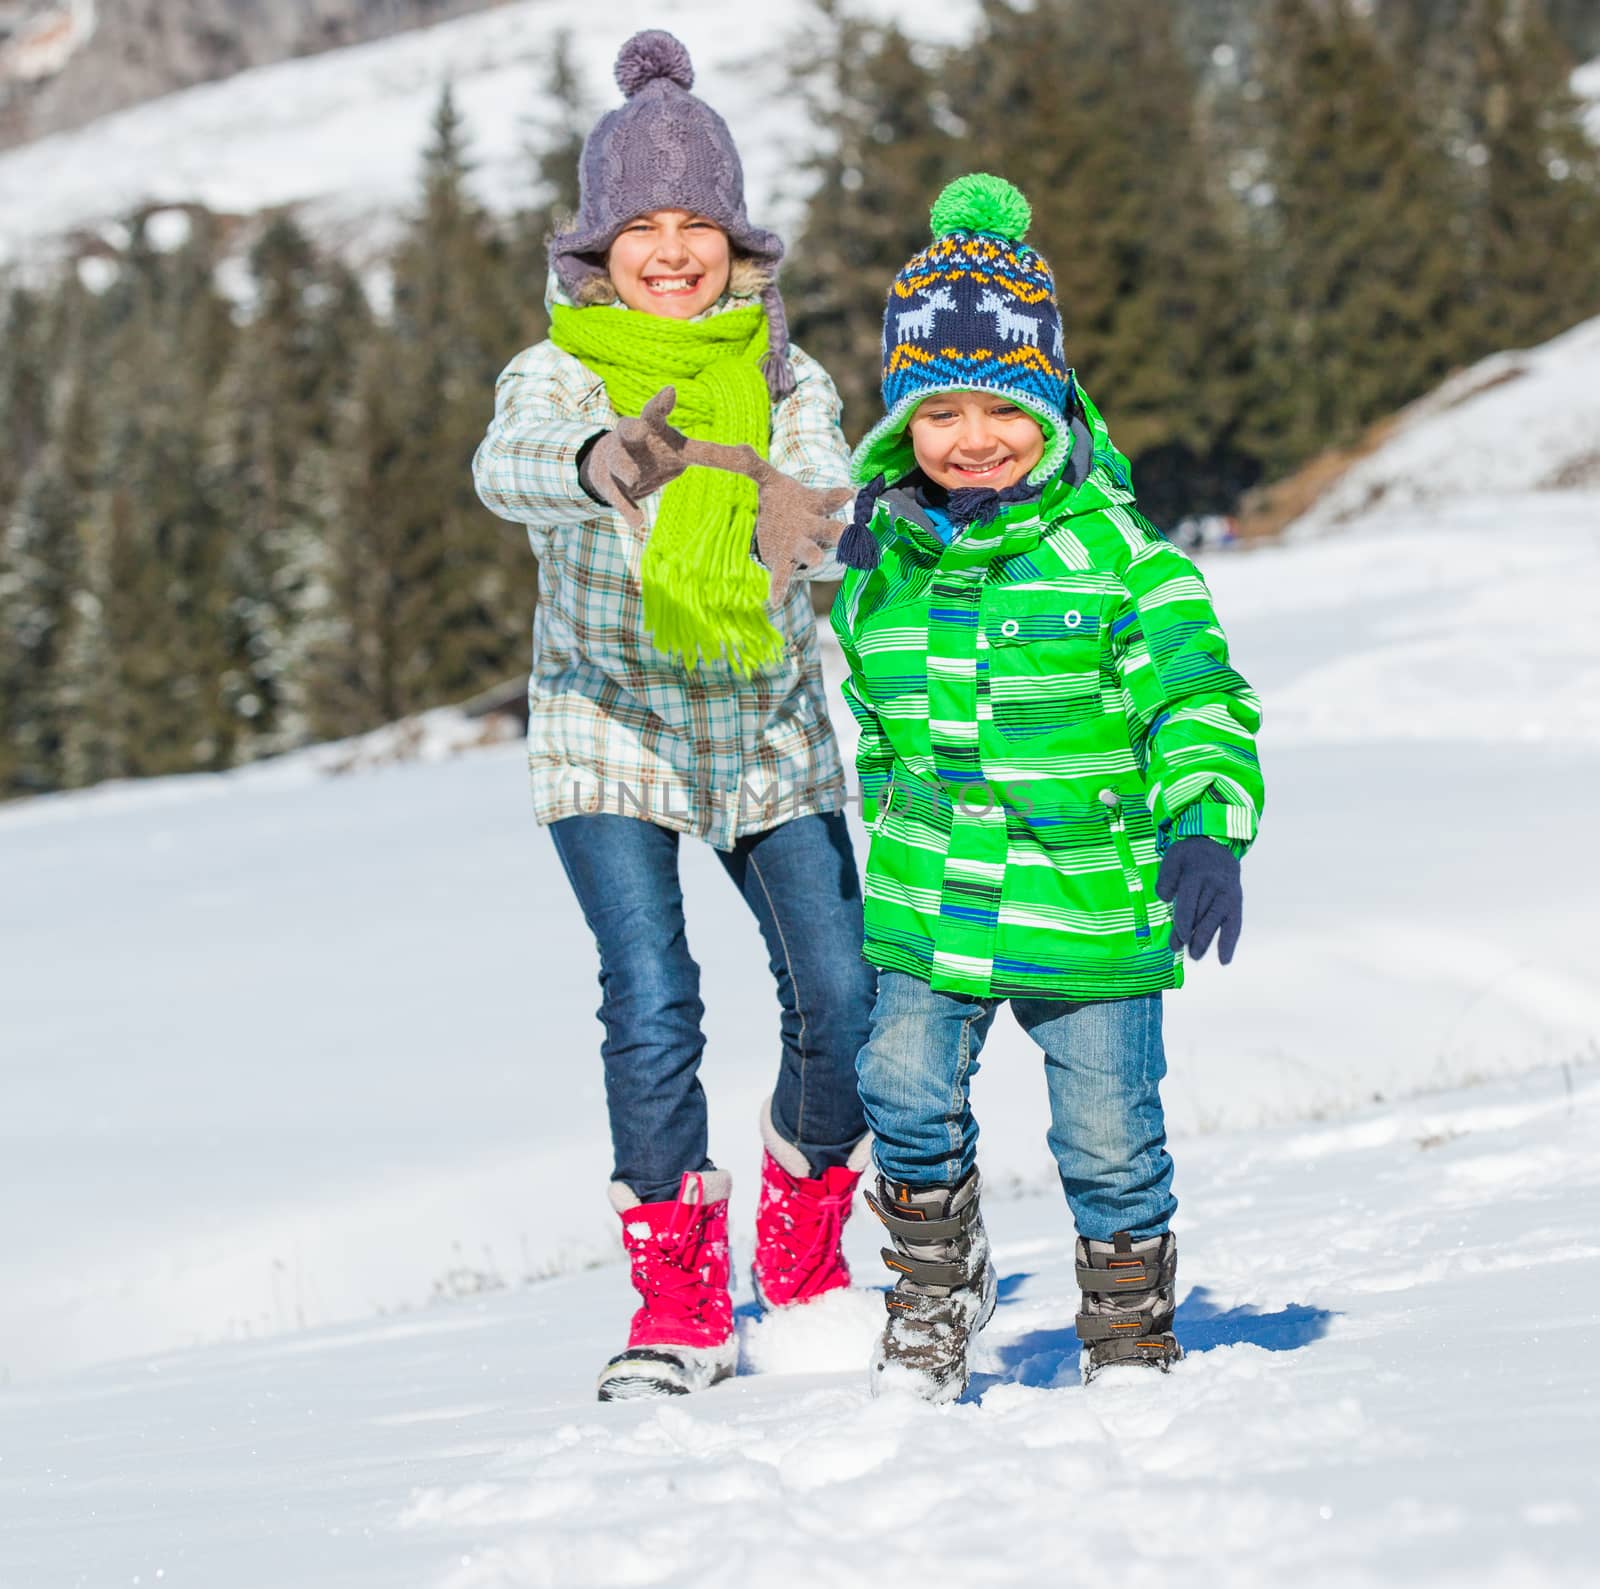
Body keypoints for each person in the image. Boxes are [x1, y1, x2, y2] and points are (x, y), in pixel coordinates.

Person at [472, 30, 876, 1402]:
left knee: (842, 997)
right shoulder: (564, 372)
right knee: (653, 1000)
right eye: (640, 224)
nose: (669, 248)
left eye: (693, 222)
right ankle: (680, 1301)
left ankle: (805, 1243)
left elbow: (821, 491)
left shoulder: (788, 377)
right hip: (611, 729)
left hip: (763, 722)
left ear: (734, 244)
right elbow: (507, 465)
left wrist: (803, 523)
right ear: (595, 249)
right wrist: (602, 462)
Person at [830, 174, 1265, 1401]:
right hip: (938, 899)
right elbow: (877, 721)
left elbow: (1198, 699)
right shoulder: (882, 574)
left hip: (1090, 897)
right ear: (900, 421)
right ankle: (933, 1287)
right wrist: (894, 822)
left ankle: (1126, 1327)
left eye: (1003, 405)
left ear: (1054, 399)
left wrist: (1205, 824)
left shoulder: (1123, 558)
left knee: (1110, 1135)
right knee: (900, 1084)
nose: (972, 437)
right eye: (938, 409)